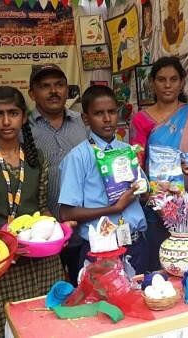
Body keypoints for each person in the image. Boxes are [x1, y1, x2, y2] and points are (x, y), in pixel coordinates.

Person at [0, 86, 65, 338]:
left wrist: (57, 229)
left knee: (48, 322)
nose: (6, 121)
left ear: (24, 117)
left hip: (42, 259)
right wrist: (2, 245)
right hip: (1, 262)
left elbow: (41, 206)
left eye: (13, 113)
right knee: (2, 325)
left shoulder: (36, 158)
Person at [129, 56, 188, 270]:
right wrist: (151, 194)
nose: (167, 85)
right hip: (156, 206)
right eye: (161, 79)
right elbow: (136, 162)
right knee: (161, 268)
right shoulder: (141, 119)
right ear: (152, 82)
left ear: (182, 81)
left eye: (173, 79)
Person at [59, 85, 148, 274]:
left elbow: (143, 192)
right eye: (99, 113)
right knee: (104, 302)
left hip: (136, 242)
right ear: (85, 118)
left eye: (112, 112)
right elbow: (66, 213)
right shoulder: (78, 157)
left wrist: (149, 188)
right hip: (102, 249)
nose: (107, 119)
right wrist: (114, 209)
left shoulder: (126, 150)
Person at [28, 64, 87, 286]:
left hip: (83, 230)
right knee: (51, 298)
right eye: (45, 86)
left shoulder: (82, 122)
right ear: (32, 93)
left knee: (84, 289)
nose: (54, 91)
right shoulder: (23, 128)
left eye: (59, 85)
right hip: (43, 233)